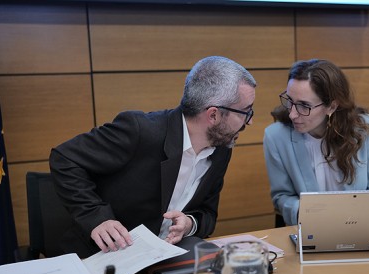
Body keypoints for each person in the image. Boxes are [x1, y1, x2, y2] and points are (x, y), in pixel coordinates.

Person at [49, 56, 256, 258]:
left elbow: (208, 215)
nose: (249, 122)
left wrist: (189, 224)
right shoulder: (141, 130)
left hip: (161, 260)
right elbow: (64, 158)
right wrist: (96, 218)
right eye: (245, 112)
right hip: (101, 257)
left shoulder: (220, 148)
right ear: (213, 115)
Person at [263, 59, 369, 226]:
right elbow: (282, 197)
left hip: (361, 228)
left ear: (331, 107)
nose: (292, 114)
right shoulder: (276, 136)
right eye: (289, 101)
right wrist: (311, 214)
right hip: (310, 230)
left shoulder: (362, 128)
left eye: (304, 106)